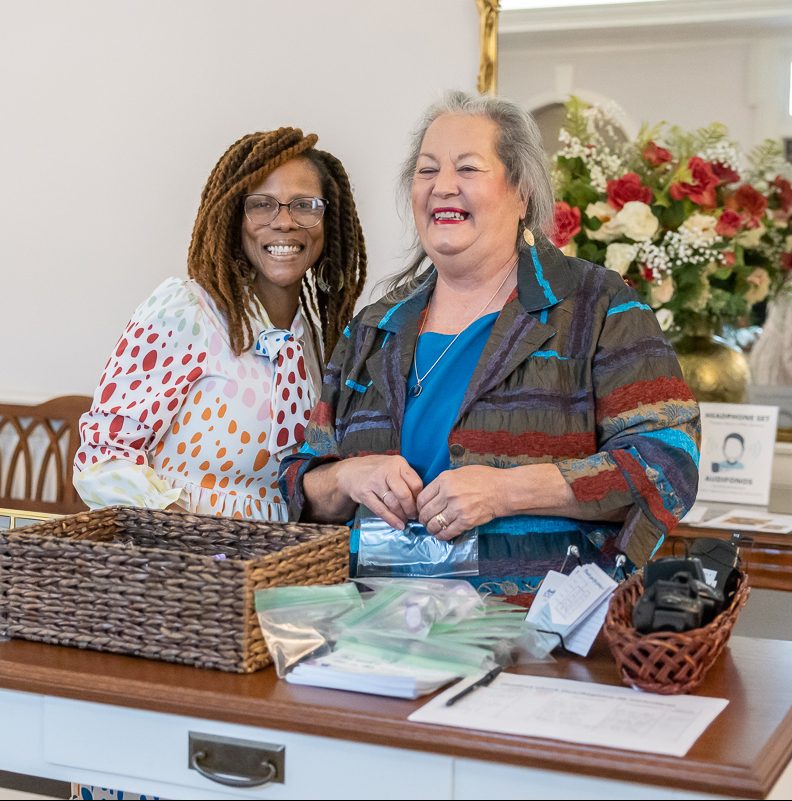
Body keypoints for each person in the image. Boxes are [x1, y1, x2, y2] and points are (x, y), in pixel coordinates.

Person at [280, 92, 700, 604]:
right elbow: (302, 484)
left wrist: (506, 490)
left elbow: (667, 461)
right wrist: (348, 476)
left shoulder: (599, 308)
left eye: (468, 168)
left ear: (521, 192)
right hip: (371, 630)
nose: (443, 187)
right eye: (426, 170)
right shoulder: (373, 328)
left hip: (535, 632)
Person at [74, 127, 366, 521]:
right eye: (262, 204)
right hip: (183, 568)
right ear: (233, 216)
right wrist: (185, 531)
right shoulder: (186, 310)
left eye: (305, 205)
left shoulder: (318, 341)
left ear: (327, 220)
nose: (284, 222)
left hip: (283, 571)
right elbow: (101, 459)